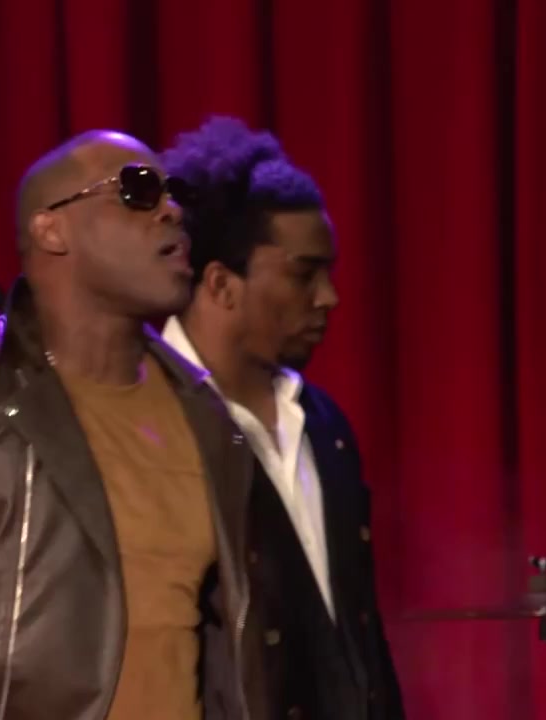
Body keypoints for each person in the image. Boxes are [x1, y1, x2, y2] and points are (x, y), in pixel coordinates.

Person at [0, 131, 282, 719]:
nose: (171, 210)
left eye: (175, 193)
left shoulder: (207, 415)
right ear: (51, 230)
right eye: (138, 190)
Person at [159, 116, 407, 719]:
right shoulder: (149, 424)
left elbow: (359, 639)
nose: (329, 297)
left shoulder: (324, 427)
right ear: (221, 283)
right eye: (303, 274)